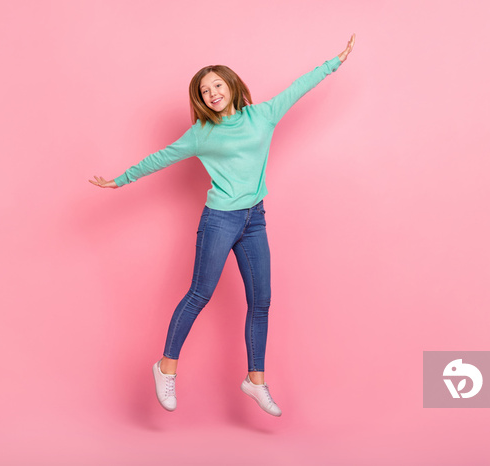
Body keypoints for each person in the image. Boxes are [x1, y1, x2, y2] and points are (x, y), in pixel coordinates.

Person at [90, 34, 356, 416]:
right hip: (220, 219)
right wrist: (121, 179)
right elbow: (161, 157)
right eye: (204, 90)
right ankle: (165, 368)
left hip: (254, 219)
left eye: (217, 85)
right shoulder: (202, 134)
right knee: (200, 293)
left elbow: (297, 88)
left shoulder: (262, 114)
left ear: (231, 86)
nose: (212, 92)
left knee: (261, 301)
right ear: (200, 99)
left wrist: (334, 62)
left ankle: (256, 381)